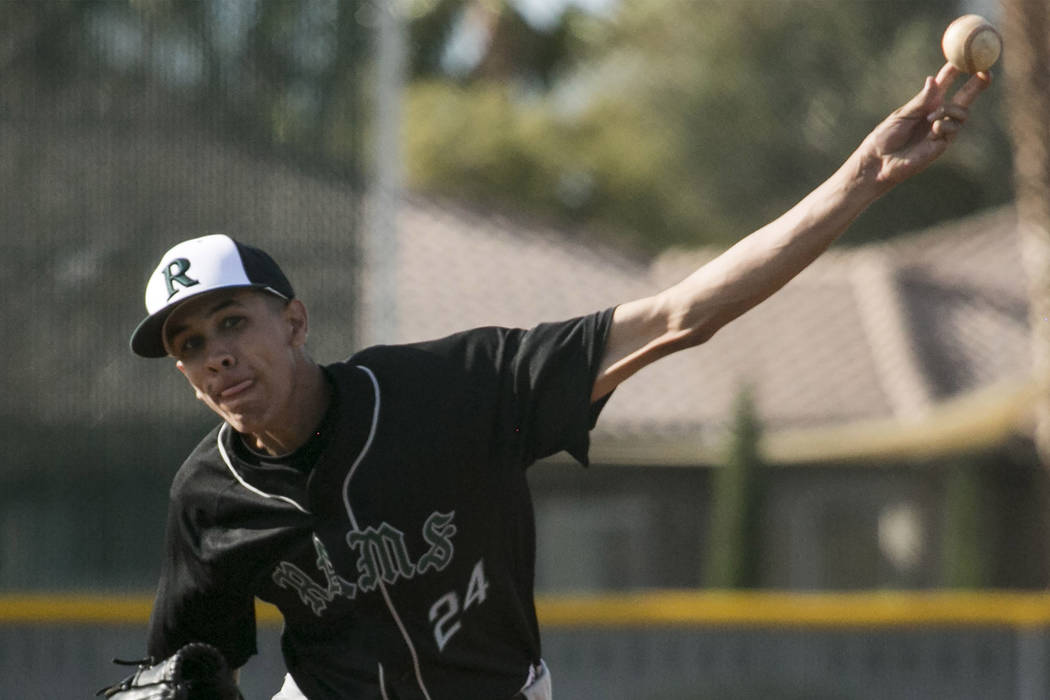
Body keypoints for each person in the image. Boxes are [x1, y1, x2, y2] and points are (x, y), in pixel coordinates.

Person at [131, 64, 989, 700]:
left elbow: (681, 313)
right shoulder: (209, 498)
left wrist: (861, 180)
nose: (216, 353)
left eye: (233, 321)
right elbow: (187, 670)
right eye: (191, 342)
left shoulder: (448, 391)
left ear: (294, 321)